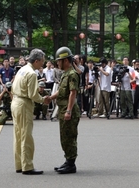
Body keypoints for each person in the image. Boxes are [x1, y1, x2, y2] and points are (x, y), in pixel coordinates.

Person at [11, 48, 50, 175]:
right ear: (37, 61)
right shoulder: (32, 74)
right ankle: (27, 165)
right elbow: (33, 94)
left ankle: (19, 164)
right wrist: (43, 99)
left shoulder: (22, 69)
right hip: (24, 103)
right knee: (26, 136)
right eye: (42, 61)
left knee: (18, 135)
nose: (43, 64)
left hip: (15, 101)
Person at [49, 46, 80, 174]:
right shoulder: (65, 74)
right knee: (64, 137)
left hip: (68, 110)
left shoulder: (72, 74)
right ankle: (68, 161)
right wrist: (50, 97)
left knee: (69, 137)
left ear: (66, 60)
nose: (57, 63)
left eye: (59, 61)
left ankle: (71, 164)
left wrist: (68, 111)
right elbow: (62, 91)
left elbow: (73, 93)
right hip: (63, 109)